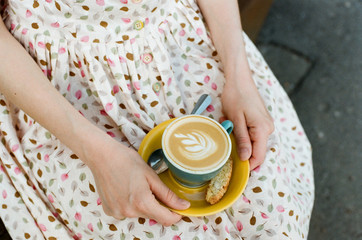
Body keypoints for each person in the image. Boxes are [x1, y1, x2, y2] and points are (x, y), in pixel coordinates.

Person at [0, 0, 314, 239]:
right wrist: (96, 152)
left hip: (180, 41)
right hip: (59, 93)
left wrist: (240, 77)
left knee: (275, 214)